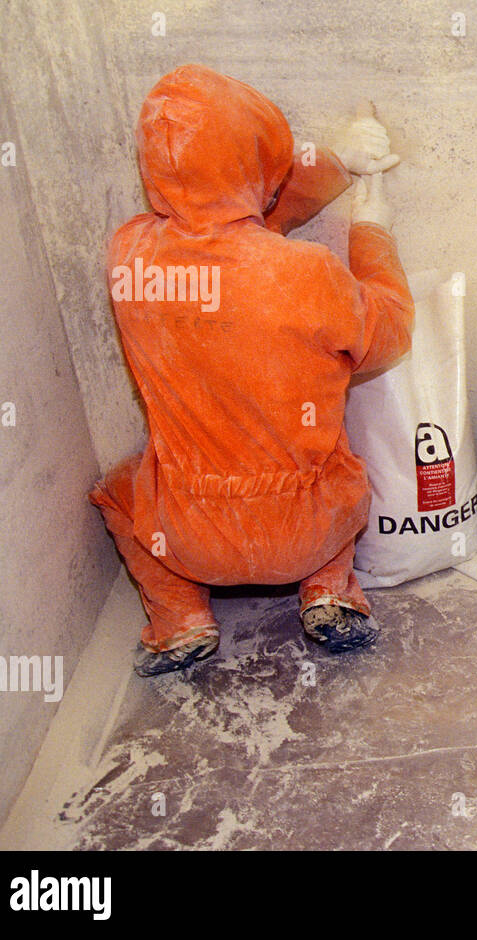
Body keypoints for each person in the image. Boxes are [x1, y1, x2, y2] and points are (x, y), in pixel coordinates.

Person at [90, 65, 414, 676]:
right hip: (309, 530)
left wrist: (335, 160)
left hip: (190, 542)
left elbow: (228, 238)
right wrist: (373, 232)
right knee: (342, 460)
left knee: (119, 489)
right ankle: (329, 593)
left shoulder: (128, 257)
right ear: (255, 162)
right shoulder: (306, 273)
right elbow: (388, 331)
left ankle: (180, 619)